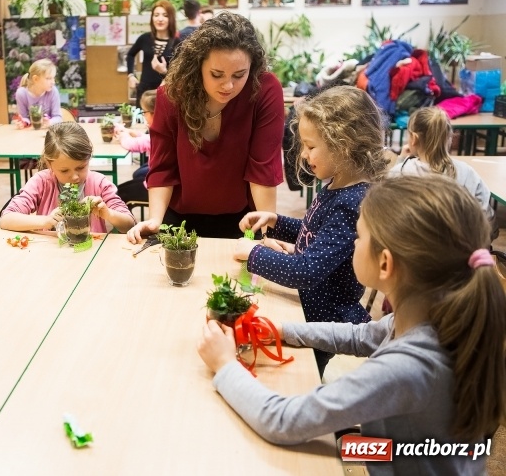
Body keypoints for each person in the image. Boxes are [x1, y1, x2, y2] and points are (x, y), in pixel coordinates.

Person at [198, 175, 505, 475]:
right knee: (334, 442)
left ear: (385, 264)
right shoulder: (430, 317)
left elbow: (283, 421)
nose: (352, 243)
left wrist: (225, 366)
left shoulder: (407, 367)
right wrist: (279, 331)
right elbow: (359, 336)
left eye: (359, 237)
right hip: (410, 450)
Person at [234, 86, 389, 375]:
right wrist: (275, 221)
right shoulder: (337, 184)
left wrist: (253, 253)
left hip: (326, 325)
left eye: (311, 146)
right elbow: (314, 231)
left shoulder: (351, 203)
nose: (304, 155)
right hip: (309, 311)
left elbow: (305, 271)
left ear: (344, 144)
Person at [126, 12, 284, 241]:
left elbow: (263, 168)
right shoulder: (172, 95)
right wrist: (155, 219)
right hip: (178, 216)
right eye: (216, 74)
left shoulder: (264, 89)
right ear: (198, 65)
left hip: (241, 218)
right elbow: (162, 166)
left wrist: (266, 231)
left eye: (239, 75)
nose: (228, 85)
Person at [0, 122, 135, 234]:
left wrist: (109, 213)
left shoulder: (99, 183)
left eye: (81, 168)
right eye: (64, 170)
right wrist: (46, 221)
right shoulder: (41, 182)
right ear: (49, 164)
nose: (75, 177)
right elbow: (6, 220)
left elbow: (129, 225)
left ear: (89, 158)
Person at [389, 106, 498, 239]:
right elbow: (486, 218)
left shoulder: (400, 172)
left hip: (414, 252)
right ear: (448, 137)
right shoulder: (468, 172)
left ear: (413, 138)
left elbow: (387, 212)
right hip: (461, 251)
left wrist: (401, 160)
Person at [126, 0, 180, 104]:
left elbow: (180, 75)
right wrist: (130, 76)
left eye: (165, 15)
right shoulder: (144, 38)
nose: (160, 19)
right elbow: (130, 54)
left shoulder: (177, 43)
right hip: (144, 92)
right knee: (143, 120)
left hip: (166, 93)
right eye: (156, 15)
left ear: (171, 19)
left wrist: (164, 71)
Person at [115, 90, 156, 206]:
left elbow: (130, 144)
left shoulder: (159, 137)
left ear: (154, 114)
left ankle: (126, 223)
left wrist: (123, 135)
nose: (143, 115)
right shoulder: (166, 130)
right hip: (155, 183)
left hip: (155, 189)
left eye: (144, 112)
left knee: (118, 194)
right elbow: (147, 138)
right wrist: (132, 132)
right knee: (132, 180)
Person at [14, 59, 62, 128]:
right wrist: (23, 123)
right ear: (36, 79)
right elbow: (24, 117)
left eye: (53, 78)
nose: (53, 82)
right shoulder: (21, 94)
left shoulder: (53, 91)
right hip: (30, 133)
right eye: (48, 78)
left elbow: (58, 117)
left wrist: (50, 122)